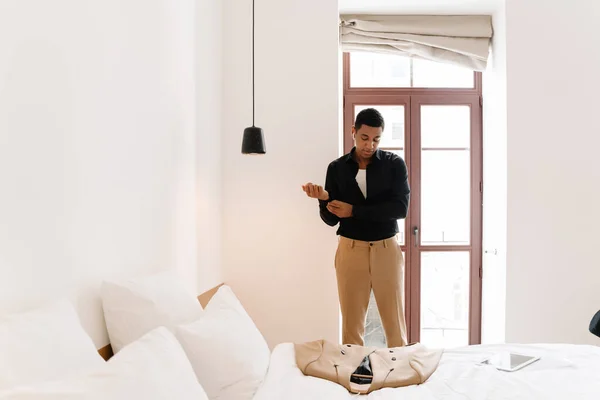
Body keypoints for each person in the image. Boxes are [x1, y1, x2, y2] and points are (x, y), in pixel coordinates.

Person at [302, 108, 410, 348]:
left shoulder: (394, 165)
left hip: (386, 249)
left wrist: (354, 211)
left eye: (376, 139)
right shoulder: (337, 168)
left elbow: (400, 209)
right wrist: (323, 198)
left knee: (395, 326)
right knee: (351, 329)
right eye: (364, 138)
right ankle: (354, 381)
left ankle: (401, 379)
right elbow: (332, 220)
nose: (370, 145)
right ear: (353, 132)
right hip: (350, 250)